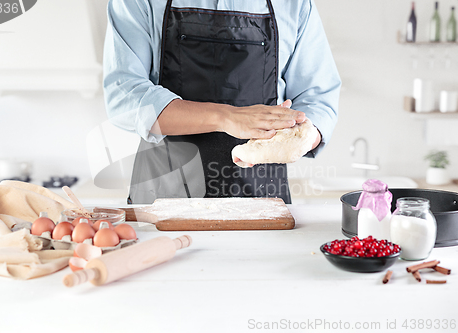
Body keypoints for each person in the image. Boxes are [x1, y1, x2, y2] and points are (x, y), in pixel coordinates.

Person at [103, 0, 341, 204]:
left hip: (262, 198)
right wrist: (227, 117)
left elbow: (318, 98)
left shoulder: (293, 4)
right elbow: (124, 96)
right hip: (164, 194)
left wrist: (304, 135)